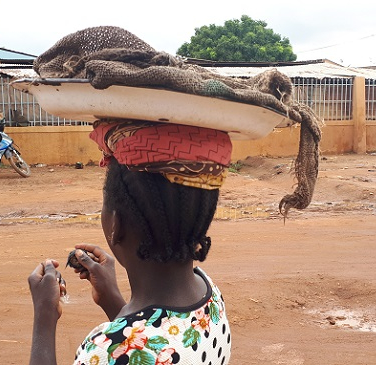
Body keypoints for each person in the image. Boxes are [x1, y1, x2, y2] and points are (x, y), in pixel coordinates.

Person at [27, 120, 232, 365]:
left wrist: (44, 318)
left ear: (116, 225)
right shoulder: (209, 295)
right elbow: (154, 344)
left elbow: (130, 353)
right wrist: (112, 299)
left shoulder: (104, 351)